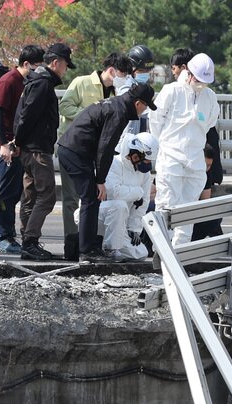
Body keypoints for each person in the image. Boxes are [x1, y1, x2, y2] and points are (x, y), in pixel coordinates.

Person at [56, 81, 155, 262]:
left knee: (92, 198)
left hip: (75, 149)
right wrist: (100, 180)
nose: (144, 111)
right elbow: (106, 147)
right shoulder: (119, 112)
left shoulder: (117, 104)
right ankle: (86, 251)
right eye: (146, 106)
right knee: (89, 199)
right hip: (75, 151)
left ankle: (91, 246)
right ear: (138, 103)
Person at [57, 49, 131, 258]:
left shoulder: (117, 93)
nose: (123, 80)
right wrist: (89, 115)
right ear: (111, 71)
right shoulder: (82, 82)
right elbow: (64, 106)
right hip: (73, 147)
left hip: (93, 152)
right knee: (73, 199)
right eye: (122, 75)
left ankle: (91, 243)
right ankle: (72, 243)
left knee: (94, 197)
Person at [12, 43, 70, 261]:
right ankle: (30, 241)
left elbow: (23, 115)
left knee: (31, 195)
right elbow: (27, 115)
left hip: (30, 147)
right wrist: (19, 140)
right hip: (36, 149)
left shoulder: (35, 81)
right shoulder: (43, 84)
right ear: (55, 63)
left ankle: (28, 239)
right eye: (65, 65)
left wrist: (19, 141)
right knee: (47, 196)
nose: (65, 70)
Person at [152, 53, 216, 247]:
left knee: (189, 209)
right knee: (166, 204)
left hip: (195, 159)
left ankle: (180, 252)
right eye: (198, 79)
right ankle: (161, 250)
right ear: (188, 73)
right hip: (171, 156)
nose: (200, 84)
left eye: (205, 81)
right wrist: (165, 145)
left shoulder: (210, 96)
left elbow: (210, 123)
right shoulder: (171, 91)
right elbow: (156, 121)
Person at [0, 44, 42, 255]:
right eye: (37, 66)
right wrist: (4, 143)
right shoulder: (9, 81)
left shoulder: (27, 82)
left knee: (14, 192)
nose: (39, 70)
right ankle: (3, 236)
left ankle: (9, 234)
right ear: (26, 64)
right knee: (6, 194)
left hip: (18, 146)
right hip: (5, 146)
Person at [100, 132, 156, 259]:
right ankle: (111, 249)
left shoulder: (144, 174)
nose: (147, 164)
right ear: (136, 155)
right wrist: (138, 193)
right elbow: (114, 192)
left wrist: (134, 228)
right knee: (119, 205)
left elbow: (144, 202)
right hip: (101, 215)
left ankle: (107, 245)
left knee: (140, 253)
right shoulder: (114, 163)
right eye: (146, 160)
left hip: (120, 223)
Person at [190, 142, 222, 242]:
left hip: (191, 211)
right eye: (205, 165)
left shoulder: (206, 174)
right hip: (172, 209)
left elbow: (205, 201)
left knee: (214, 216)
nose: (206, 168)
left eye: (209, 166)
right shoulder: (179, 169)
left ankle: (192, 240)